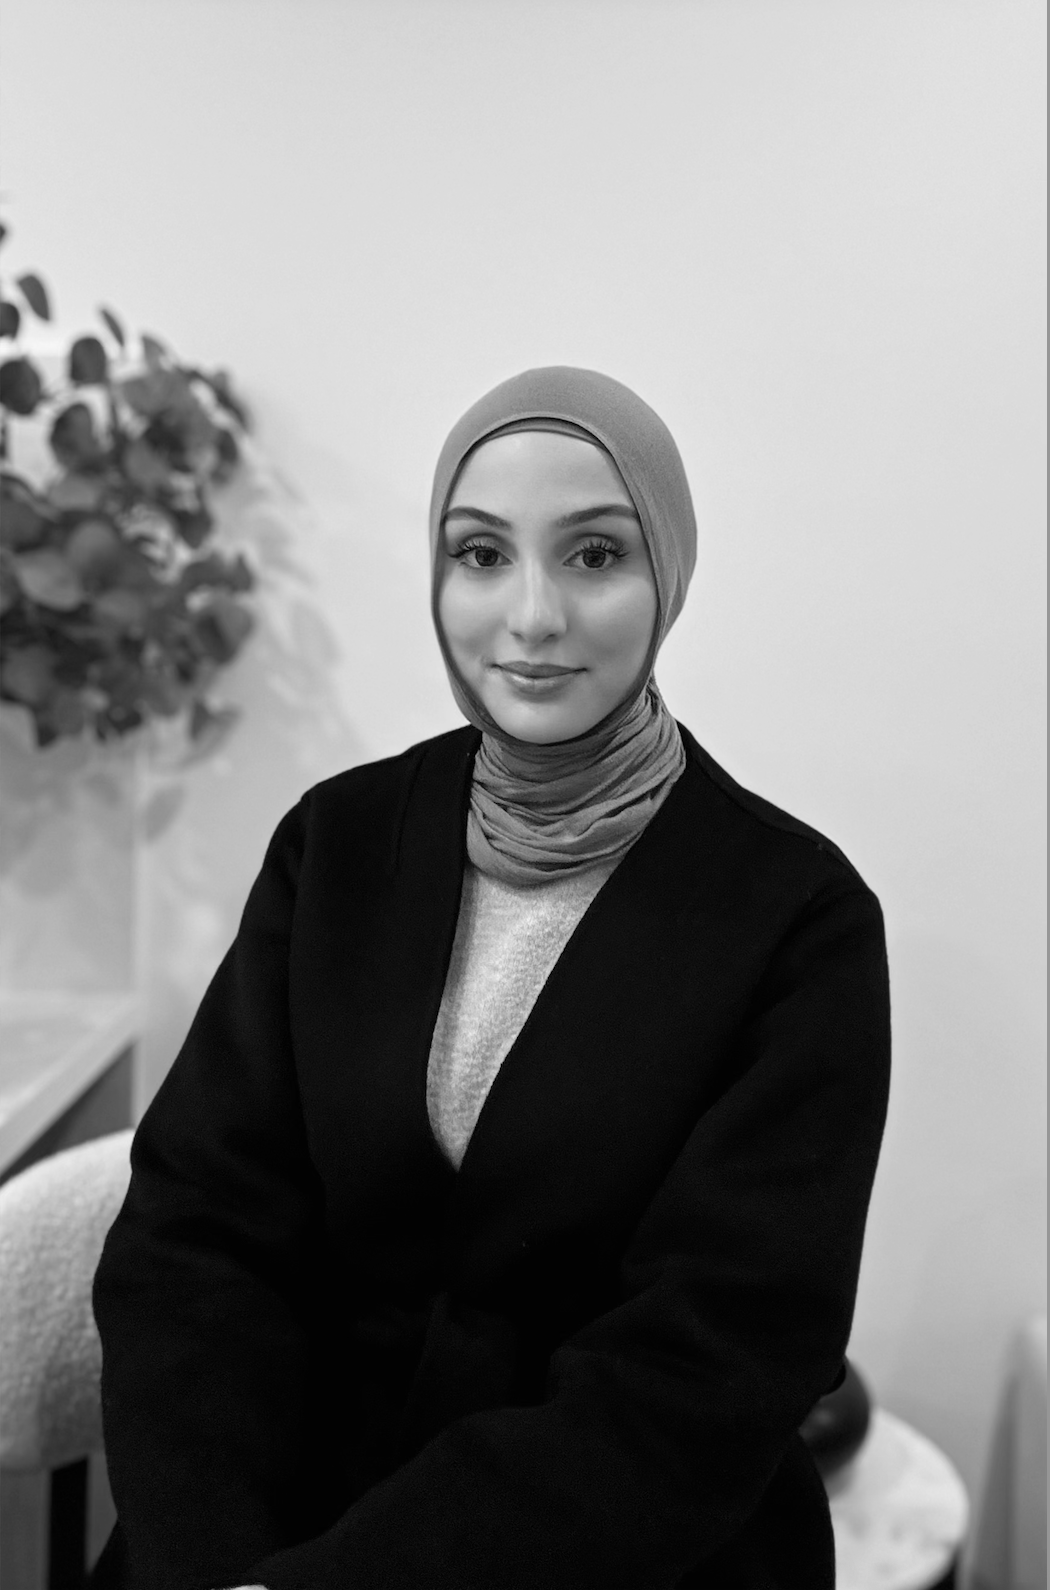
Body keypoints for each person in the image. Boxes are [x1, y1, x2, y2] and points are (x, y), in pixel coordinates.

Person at [90, 366, 891, 1590]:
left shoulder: (798, 920)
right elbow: (197, 1232)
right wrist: (216, 1557)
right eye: (481, 555)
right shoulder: (338, 844)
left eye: (592, 556)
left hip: (616, 1546)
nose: (530, 618)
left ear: (667, 574)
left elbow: (713, 1361)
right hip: (265, 1520)